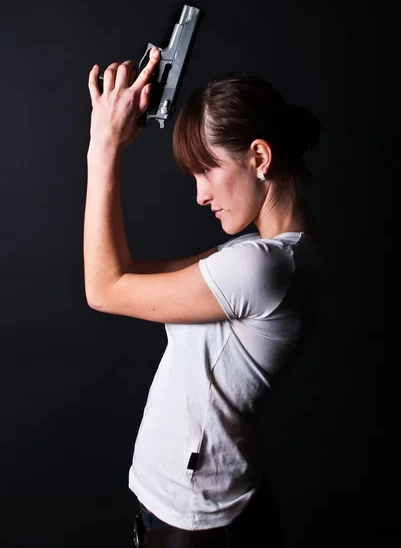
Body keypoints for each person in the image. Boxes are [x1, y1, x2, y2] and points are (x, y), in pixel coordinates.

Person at [85, 48, 324, 547]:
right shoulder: (260, 256)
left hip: (199, 525)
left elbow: (104, 290)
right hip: (196, 507)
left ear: (259, 157)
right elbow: (121, 276)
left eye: (206, 170)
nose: (199, 195)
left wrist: (104, 147)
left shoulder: (261, 267)